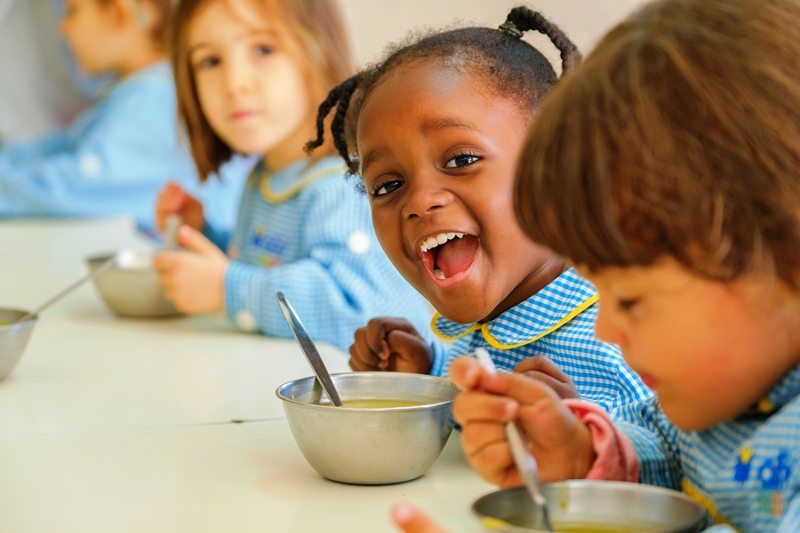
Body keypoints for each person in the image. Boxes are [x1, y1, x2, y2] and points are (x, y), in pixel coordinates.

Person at [449, 0, 800, 531]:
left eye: (631, 299)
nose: (605, 330)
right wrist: (579, 456)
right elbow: (667, 457)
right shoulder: (719, 395)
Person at [307, 7, 650, 413]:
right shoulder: (482, 325)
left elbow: (679, 442)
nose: (420, 200)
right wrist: (429, 372)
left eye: (461, 160)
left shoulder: (624, 332)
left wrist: (581, 432)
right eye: (388, 186)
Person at [152, 0, 433, 352]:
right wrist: (205, 235)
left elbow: (357, 309)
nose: (234, 83)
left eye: (263, 49)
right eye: (210, 61)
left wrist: (229, 288)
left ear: (319, 50)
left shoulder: (341, 185)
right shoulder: (268, 173)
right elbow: (270, 258)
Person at [0, 0, 240, 232]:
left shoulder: (152, 104)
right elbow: (62, 146)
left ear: (120, 13)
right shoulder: (131, 93)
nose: (62, 28)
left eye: (72, 10)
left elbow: (72, 188)